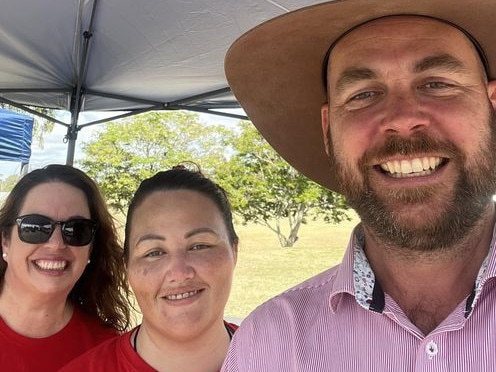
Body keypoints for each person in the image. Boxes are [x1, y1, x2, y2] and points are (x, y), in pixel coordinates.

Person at [221, 0, 496, 370]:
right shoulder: (269, 346)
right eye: (363, 94)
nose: (402, 119)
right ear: (328, 130)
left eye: (437, 84)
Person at [61, 164, 239, 372]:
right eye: (154, 252)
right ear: (127, 266)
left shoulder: (282, 357)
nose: (179, 273)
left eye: (199, 246)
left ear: (234, 251)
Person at [0, 164, 132, 371]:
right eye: (35, 227)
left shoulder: (106, 354)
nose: (56, 243)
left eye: (77, 229)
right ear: (5, 241)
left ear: (91, 249)